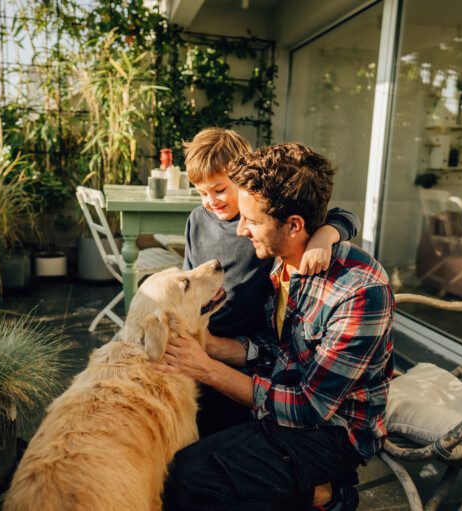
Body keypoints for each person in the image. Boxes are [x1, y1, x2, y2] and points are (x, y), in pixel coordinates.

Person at [159, 143, 394, 511]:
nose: (240, 231)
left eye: (251, 221)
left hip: (332, 433)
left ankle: (330, 495)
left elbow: (307, 408)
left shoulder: (360, 293)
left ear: (295, 225)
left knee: (189, 481)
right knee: (178, 460)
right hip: (278, 398)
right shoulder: (280, 265)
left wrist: (206, 369)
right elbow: (271, 347)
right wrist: (209, 346)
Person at [181, 128, 361, 437]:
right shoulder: (198, 220)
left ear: (242, 179)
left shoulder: (269, 223)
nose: (210, 201)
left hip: (249, 347)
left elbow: (344, 216)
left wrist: (326, 234)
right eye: (201, 193)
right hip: (204, 330)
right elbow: (187, 278)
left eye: (219, 189)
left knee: (225, 425)